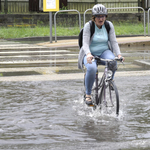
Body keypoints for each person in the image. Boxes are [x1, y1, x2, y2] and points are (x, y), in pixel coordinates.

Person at [78, 4, 124, 105]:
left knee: (113, 61)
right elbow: (85, 43)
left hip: (104, 52)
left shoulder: (108, 25)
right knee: (92, 68)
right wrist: (89, 54)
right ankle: (88, 95)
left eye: (103, 16)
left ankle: (110, 80)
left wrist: (119, 55)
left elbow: (113, 42)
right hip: (89, 53)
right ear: (94, 17)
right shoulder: (89, 26)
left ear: (106, 17)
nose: (101, 18)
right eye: (98, 16)